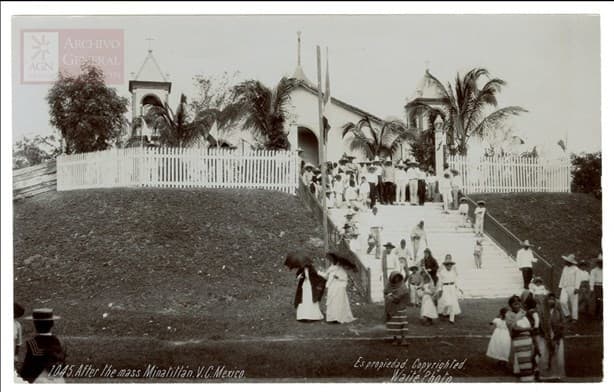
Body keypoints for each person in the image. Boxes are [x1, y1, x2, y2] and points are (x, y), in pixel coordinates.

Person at [19, 309, 66, 384]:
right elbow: (63, 364)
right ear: (52, 324)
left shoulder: (32, 343)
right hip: (58, 380)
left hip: (39, 380)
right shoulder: (60, 342)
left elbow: (28, 367)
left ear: (35, 324)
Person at [505, 295, 536, 382]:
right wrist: (528, 329)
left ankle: (528, 378)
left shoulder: (524, 313)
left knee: (528, 360)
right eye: (515, 304)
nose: (517, 306)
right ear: (510, 305)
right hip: (517, 340)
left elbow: (532, 324)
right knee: (519, 360)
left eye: (519, 304)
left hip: (527, 340)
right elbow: (514, 328)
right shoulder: (509, 315)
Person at [536, 293, 566, 381]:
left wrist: (557, 335)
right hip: (545, 336)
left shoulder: (558, 311)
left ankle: (556, 374)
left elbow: (562, 323)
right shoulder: (542, 312)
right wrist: (546, 335)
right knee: (544, 354)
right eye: (549, 299)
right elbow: (540, 325)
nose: (551, 301)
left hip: (556, 336)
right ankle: (544, 374)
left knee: (557, 355)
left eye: (553, 299)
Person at [322, 253, 356, 324]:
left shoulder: (340, 269)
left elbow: (345, 278)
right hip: (332, 287)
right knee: (332, 302)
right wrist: (320, 273)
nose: (330, 261)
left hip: (338, 287)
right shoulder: (331, 268)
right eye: (330, 260)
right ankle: (332, 318)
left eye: (331, 260)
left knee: (338, 302)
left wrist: (338, 277)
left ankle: (338, 317)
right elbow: (326, 277)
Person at [384, 272, 411, 345]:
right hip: (392, 307)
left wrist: (399, 298)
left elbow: (406, 295)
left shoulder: (402, 285)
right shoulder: (388, 286)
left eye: (398, 277)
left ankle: (403, 339)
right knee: (394, 324)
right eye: (395, 278)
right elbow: (386, 293)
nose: (397, 279)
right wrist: (392, 298)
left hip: (401, 307)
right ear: (392, 278)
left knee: (403, 323)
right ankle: (395, 339)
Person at [437, 255, 462, 324]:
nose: (449, 266)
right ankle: (444, 313)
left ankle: (451, 319)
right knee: (447, 303)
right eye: (447, 265)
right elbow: (440, 282)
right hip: (445, 288)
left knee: (453, 303)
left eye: (450, 265)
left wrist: (459, 288)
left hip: (452, 288)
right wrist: (440, 289)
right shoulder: (442, 273)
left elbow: (456, 281)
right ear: (445, 265)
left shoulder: (453, 272)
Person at [558, 254, 581, 322]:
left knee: (574, 303)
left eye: (566, 261)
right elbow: (562, 277)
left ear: (570, 262)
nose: (565, 262)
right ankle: (567, 315)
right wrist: (560, 286)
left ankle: (574, 318)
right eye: (565, 261)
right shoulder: (565, 268)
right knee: (562, 301)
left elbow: (578, 279)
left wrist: (577, 288)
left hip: (573, 287)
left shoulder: (576, 269)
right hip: (564, 287)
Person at [589, 254, 603, 320]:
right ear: (597, 263)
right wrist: (591, 288)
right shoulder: (594, 271)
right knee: (598, 300)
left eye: (602, 262)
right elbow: (592, 280)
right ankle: (597, 315)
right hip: (597, 286)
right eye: (600, 262)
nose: (601, 264)